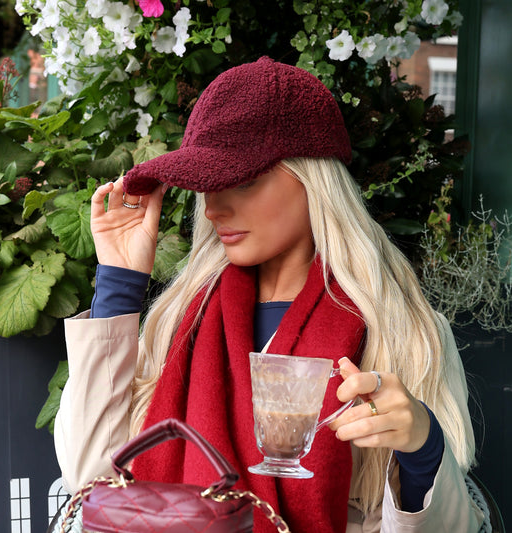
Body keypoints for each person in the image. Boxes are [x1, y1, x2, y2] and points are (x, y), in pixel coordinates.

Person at [55, 57, 484, 532]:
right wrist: (119, 282)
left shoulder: (404, 333)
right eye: (207, 185)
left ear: (312, 181)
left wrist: (422, 450)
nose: (214, 208)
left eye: (243, 181)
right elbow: (89, 480)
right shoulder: (180, 324)